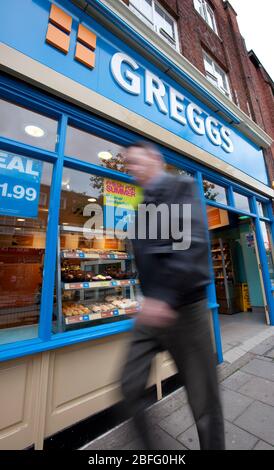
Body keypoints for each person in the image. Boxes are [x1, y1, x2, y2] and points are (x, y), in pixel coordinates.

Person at [120, 141, 225, 450]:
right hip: (151, 313)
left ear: (156, 159)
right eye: (128, 165)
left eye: (137, 162)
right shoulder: (140, 209)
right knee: (129, 385)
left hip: (185, 309)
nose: (132, 169)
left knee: (203, 401)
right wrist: (144, 297)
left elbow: (191, 243)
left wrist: (162, 296)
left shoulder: (182, 187)